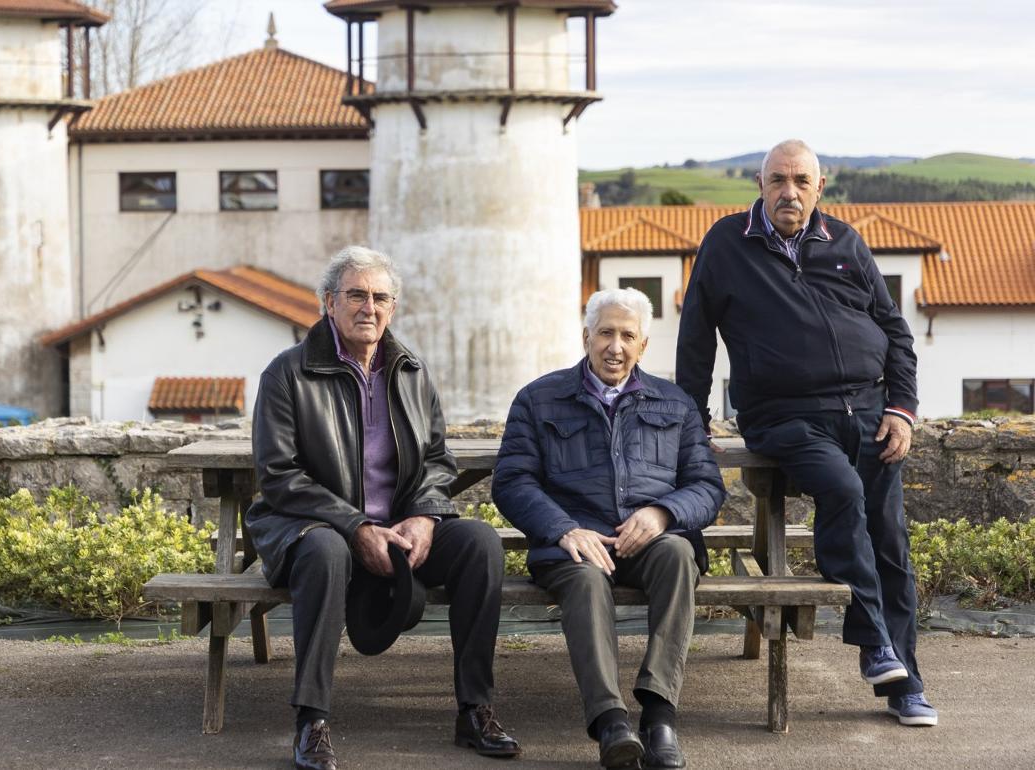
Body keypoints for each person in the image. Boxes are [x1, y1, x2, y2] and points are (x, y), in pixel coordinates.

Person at [675, 139, 936, 727]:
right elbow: (695, 339)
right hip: (784, 416)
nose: (788, 192)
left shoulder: (845, 242)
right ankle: (876, 646)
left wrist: (902, 408)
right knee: (841, 490)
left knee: (891, 546)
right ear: (760, 184)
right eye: (776, 180)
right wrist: (691, 425)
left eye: (800, 181)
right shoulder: (725, 243)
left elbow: (895, 332)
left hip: (869, 415)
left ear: (820, 187)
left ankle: (906, 685)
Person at [245, 246, 521, 770]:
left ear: (392, 308)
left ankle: (475, 709)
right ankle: (311, 721)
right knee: (326, 550)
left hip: (399, 529)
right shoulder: (287, 373)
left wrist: (423, 516)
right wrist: (355, 527)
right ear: (329, 302)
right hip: (314, 529)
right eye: (355, 295)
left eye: (379, 297)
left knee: (479, 543)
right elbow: (278, 476)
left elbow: (440, 459)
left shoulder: (411, 371)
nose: (368, 307)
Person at [493, 288, 724, 770]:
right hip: (574, 544)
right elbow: (512, 481)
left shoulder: (675, 402)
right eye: (604, 333)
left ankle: (659, 715)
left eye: (627, 335)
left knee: (679, 556)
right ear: (585, 338)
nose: (614, 346)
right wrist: (563, 528)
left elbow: (706, 485)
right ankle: (611, 721)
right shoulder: (538, 399)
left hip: (650, 540)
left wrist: (662, 513)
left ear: (642, 347)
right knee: (585, 579)